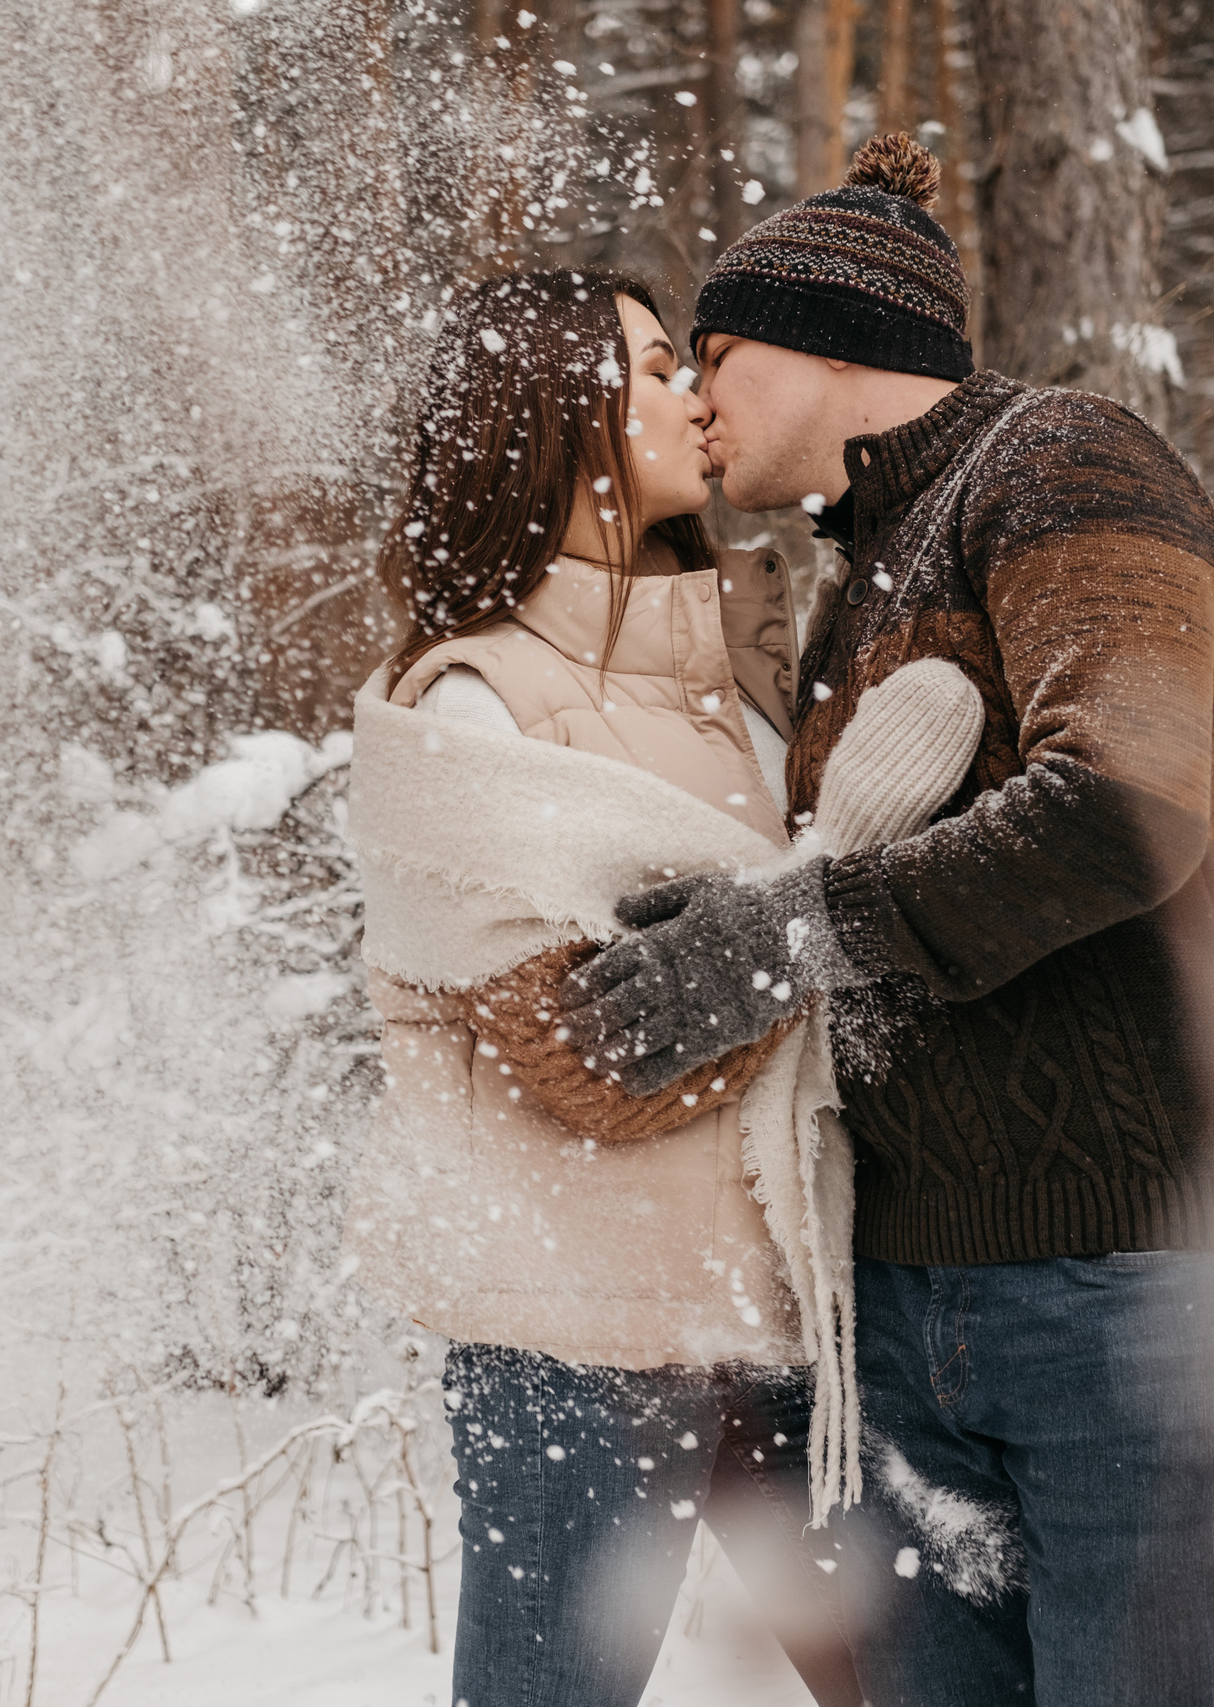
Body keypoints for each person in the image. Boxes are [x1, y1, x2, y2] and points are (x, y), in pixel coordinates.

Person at [558, 135, 1214, 1707]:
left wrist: (782, 943)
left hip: (1146, 1283)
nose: (696, 401)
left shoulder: (1065, 463)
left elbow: (1123, 804)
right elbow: (884, 874)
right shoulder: (864, 571)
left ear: (828, 343)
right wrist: (736, 915)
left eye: (712, 356)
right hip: (914, 1304)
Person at [343, 267, 864, 1707]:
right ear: (557, 424)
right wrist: (822, 928)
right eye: (651, 371)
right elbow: (575, 1054)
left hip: (789, 1309)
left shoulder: (738, 676)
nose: (695, 399)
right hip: (577, 1346)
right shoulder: (468, 706)